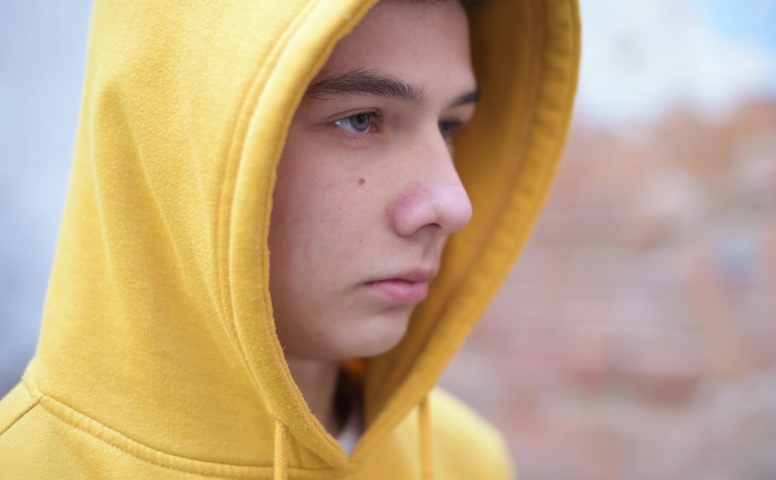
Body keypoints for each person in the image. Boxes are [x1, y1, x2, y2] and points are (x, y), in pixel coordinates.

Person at [0, 0, 580, 478]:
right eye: (361, 119)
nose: (453, 205)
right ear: (188, 139)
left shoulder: (466, 461)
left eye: (450, 126)